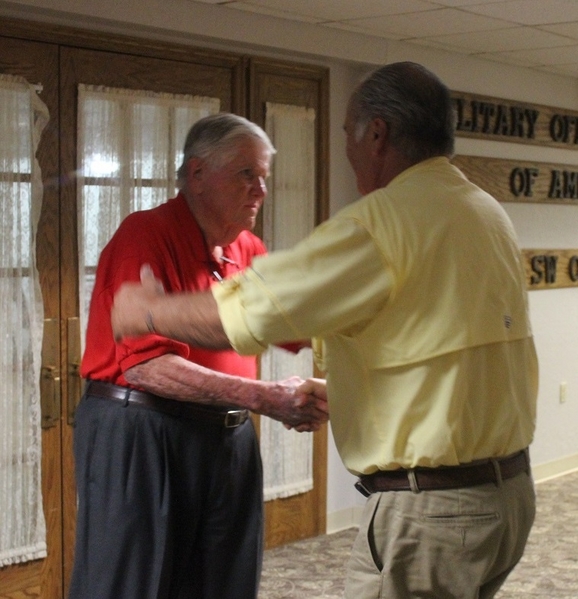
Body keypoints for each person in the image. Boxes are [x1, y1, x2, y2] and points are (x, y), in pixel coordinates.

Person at [111, 62, 539, 599]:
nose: (260, 189)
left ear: (377, 133)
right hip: (503, 499)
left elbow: (255, 315)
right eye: (245, 173)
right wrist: (346, 393)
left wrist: (146, 311)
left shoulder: (385, 222)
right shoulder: (483, 212)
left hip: (434, 513)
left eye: (347, 134)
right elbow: (448, 352)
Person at [68, 113, 328, 599]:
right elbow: (146, 367)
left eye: (264, 176)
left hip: (225, 437)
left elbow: (299, 325)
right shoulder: (146, 234)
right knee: (134, 586)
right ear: (197, 175)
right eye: (246, 173)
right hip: (142, 433)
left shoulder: (246, 248)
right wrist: (266, 397)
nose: (260, 190)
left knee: (225, 583)